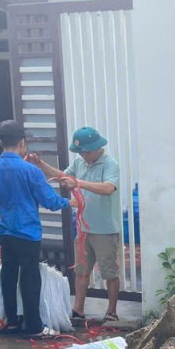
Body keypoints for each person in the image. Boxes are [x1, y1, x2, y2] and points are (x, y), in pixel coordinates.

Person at [0, 120, 73, 338]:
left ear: (0, 142)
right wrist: (68, 203)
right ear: (22, 142)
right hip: (28, 232)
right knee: (30, 277)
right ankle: (34, 326)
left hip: (5, 231)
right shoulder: (30, 171)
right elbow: (49, 200)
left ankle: (12, 321)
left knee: (9, 274)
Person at [27, 127, 122, 323]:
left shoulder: (110, 164)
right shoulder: (80, 162)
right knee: (81, 271)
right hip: (83, 228)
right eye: (80, 152)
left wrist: (78, 183)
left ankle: (111, 311)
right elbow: (64, 176)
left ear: (98, 148)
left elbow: (108, 188)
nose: (82, 155)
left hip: (105, 229)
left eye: (86, 151)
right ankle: (78, 309)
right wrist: (41, 164)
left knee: (109, 273)